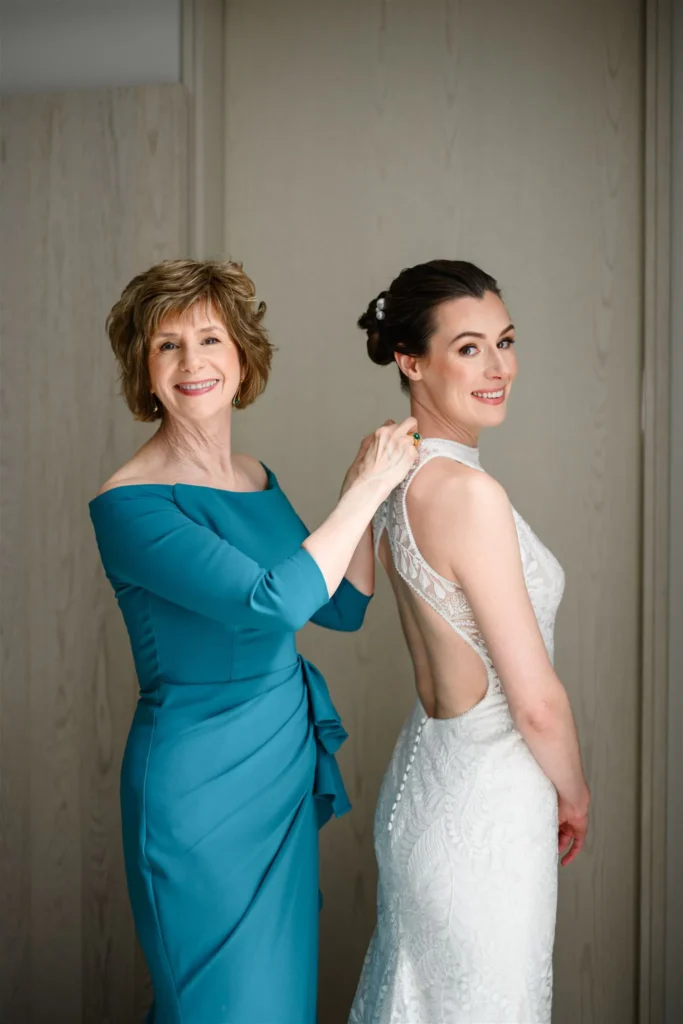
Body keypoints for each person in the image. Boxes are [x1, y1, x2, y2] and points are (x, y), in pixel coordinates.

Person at [88, 258, 418, 1024]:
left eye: (209, 338)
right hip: (198, 789)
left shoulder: (253, 475)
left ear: (242, 355)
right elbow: (271, 605)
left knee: (277, 1005)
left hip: (278, 773)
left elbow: (338, 605)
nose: (193, 362)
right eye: (166, 346)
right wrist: (366, 491)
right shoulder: (127, 503)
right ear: (144, 367)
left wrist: (356, 493)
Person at [349, 260, 590, 1024]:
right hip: (484, 812)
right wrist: (575, 795)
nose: (499, 368)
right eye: (468, 348)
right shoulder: (469, 495)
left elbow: (348, 596)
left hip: (421, 797)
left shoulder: (391, 471)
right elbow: (537, 704)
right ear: (409, 359)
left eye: (505, 341)